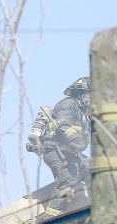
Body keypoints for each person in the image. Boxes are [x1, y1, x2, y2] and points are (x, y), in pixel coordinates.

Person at [28, 77, 91, 216]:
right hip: (54, 150)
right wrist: (76, 140)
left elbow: (84, 138)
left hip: (70, 154)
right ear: (79, 94)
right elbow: (65, 124)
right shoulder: (68, 104)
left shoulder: (84, 113)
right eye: (88, 94)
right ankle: (50, 217)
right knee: (69, 181)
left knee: (92, 168)